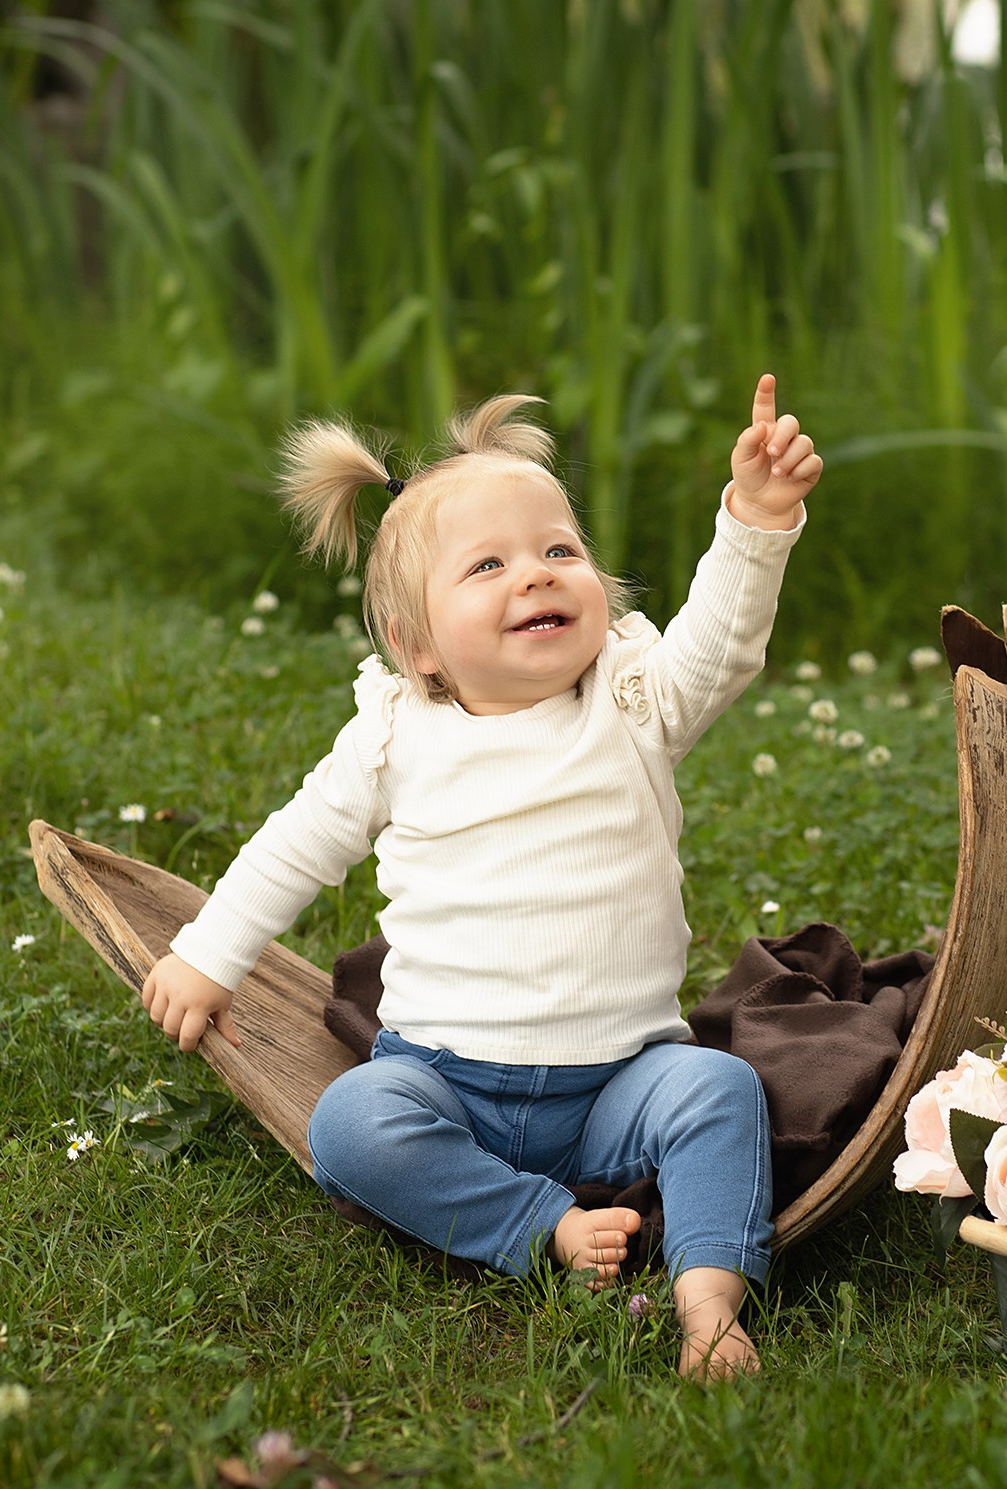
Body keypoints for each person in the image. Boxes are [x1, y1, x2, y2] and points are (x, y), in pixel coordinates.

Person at [137, 374, 821, 1379]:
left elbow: (718, 645)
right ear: (417, 645)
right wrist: (206, 957)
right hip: (443, 1083)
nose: (535, 577)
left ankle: (708, 1300)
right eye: (488, 564)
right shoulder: (395, 734)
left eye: (559, 550)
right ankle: (536, 1223)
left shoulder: (633, 697)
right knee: (352, 1126)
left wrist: (756, 518)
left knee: (717, 1089)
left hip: (617, 1084)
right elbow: (297, 844)